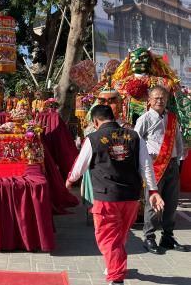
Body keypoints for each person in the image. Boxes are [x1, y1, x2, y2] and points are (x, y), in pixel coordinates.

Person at [66, 105, 164, 285]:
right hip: (131, 198)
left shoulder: (93, 138)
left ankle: (116, 278)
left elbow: (79, 167)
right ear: (114, 117)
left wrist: (69, 181)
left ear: (95, 122)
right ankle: (114, 266)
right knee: (119, 236)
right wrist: (153, 191)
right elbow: (146, 166)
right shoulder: (134, 136)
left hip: (106, 198)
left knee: (108, 238)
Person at [134, 85, 189, 254]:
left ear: (167, 100)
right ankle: (149, 237)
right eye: (156, 97)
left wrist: (179, 159)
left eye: (163, 98)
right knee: (153, 203)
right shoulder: (144, 119)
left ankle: (168, 237)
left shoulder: (172, 118)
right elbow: (136, 142)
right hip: (154, 164)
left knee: (172, 202)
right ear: (149, 101)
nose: (160, 100)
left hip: (172, 164)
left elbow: (178, 141)